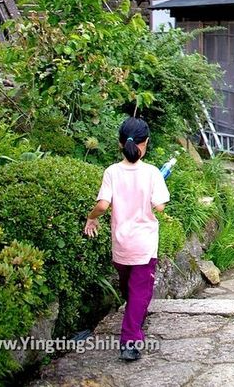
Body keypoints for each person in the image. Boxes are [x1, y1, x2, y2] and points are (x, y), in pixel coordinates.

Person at [84, 117, 169, 361]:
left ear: (121, 143)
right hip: (144, 245)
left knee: (129, 289)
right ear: (146, 144)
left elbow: (102, 205)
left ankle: (134, 318)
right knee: (139, 292)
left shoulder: (112, 172)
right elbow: (160, 207)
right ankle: (130, 342)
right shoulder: (153, 173)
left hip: (121, 244)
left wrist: (91, 219)